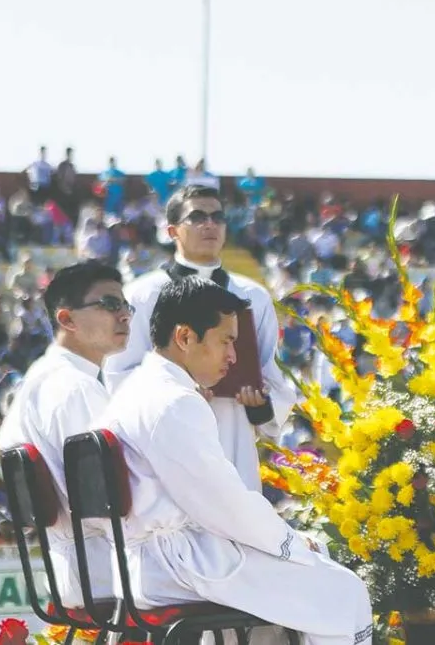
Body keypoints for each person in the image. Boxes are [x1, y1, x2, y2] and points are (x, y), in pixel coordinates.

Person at [94, 276, 372, 645]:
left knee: (308, 591)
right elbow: (225, 505)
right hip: (181, 565)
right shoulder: (172, 402)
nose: (234, 356)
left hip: (156, 560)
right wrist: (289, 542)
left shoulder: (142, 390)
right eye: (226, 340)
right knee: (344, 590)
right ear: (185, 337)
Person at [104, 184, 296, 491]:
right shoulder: (142, 294)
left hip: (232, 436)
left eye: (217, 217)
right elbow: (119, 375)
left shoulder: (253, 296)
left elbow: (271, 374)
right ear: (172, 231)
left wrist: (261, 405)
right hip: (166, 441)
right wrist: (178, 389)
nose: (210, 224)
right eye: (197, 217)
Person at [0, 261, 133, 607]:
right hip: (112, 570)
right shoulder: (74, 388)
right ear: (67, 319)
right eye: (109, 304)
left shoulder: (44, 376)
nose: (124, 316)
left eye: (125, 305)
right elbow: (116, 499)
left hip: (78, 567)